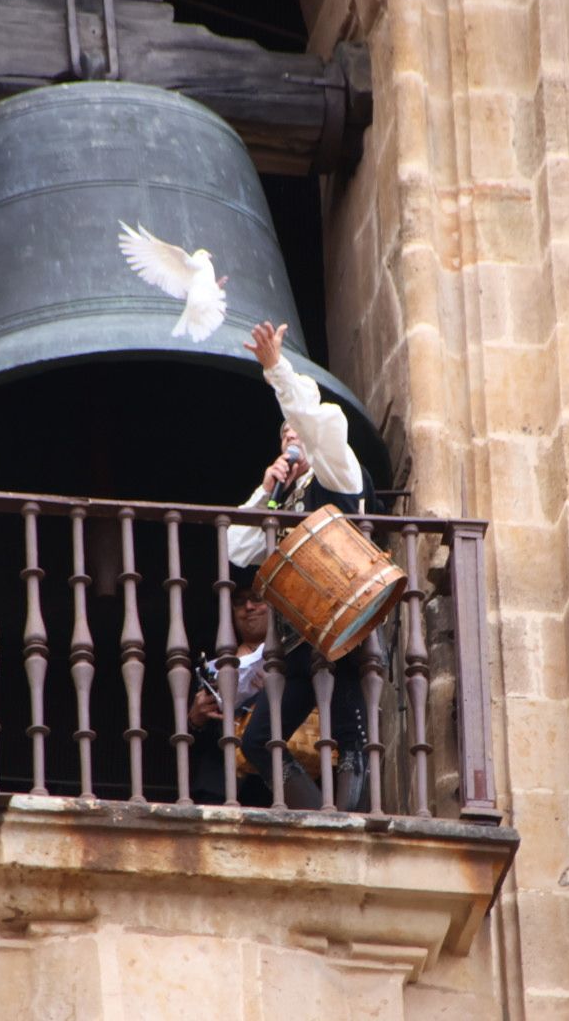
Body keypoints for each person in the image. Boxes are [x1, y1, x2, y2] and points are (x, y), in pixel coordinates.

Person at [226, 321, 377, 811]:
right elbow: (239, 547)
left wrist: (277, 370)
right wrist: (267, 492)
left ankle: (352, 826)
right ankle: (318, 816)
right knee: (257, 743)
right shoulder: (282, 493)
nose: (292, 439)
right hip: (296, 638)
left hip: (342, 626)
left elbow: (316, 420)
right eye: (284, 435)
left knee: (352, 743)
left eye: (297, 433)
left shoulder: (339, 467)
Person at [189, 575, 273, 806]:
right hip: (219, 786)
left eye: (257, 599)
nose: (248, 607)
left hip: (271, 786)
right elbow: (192, 741)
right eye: (239, 602)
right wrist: (196, 720)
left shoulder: (291, 659)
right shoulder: (212, 669)